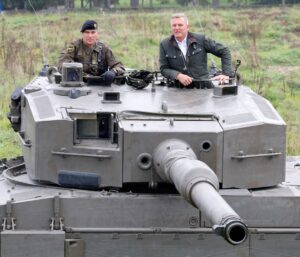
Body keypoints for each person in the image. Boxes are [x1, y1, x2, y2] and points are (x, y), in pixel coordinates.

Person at [159, 13, 233, 88]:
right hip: (178, 90)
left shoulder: (201, 39)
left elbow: (224, 51)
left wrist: (226, 74)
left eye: (180, 25)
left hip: (203, 88)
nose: (177, 28)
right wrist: (178, 75)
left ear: (187, 27)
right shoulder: (164, 44)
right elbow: (164, 69)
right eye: (174, 25)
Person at [58, 20, 125, 85]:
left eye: (93, 32)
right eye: (87, 32)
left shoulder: (104, 49)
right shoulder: (74, 47)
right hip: (79, 84)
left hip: (101, 86)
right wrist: (84, 75)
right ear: (82, 34)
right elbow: (62, 64)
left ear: (97, 34)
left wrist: (113, 72)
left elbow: (119, 66)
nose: (90, 36)